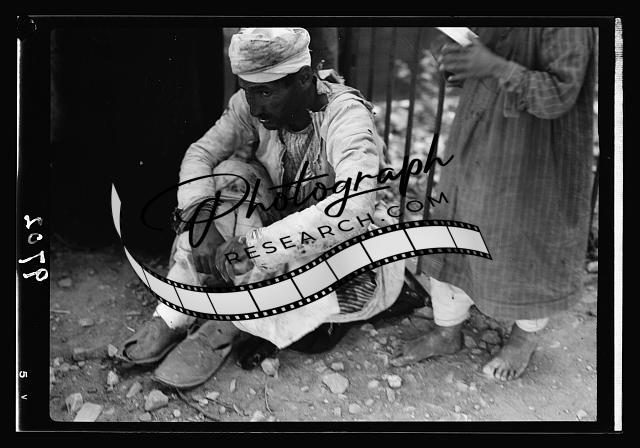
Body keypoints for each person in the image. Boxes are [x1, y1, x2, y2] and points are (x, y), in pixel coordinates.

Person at [118, 27, 408, 388]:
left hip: (344, 242)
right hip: (281, 219)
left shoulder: (346, 115)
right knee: (229, 177)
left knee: (302, 267)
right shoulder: (250, 106)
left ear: (305, 78)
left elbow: (353, 209)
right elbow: (201, 153)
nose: (255, 107)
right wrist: (200, 223)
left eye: (266, 92)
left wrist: (254, 246)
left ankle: (229, 325)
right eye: (248, 91)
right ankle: (173, 314)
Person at [391, 27, 597, 381]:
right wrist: (462, 62)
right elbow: (487, 56)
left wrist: (492, 65)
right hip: (478, 139)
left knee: (526, 249)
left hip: (532, 157)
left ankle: (524, 337)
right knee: (455, 234)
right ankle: (447, 331)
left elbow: (557, 96)